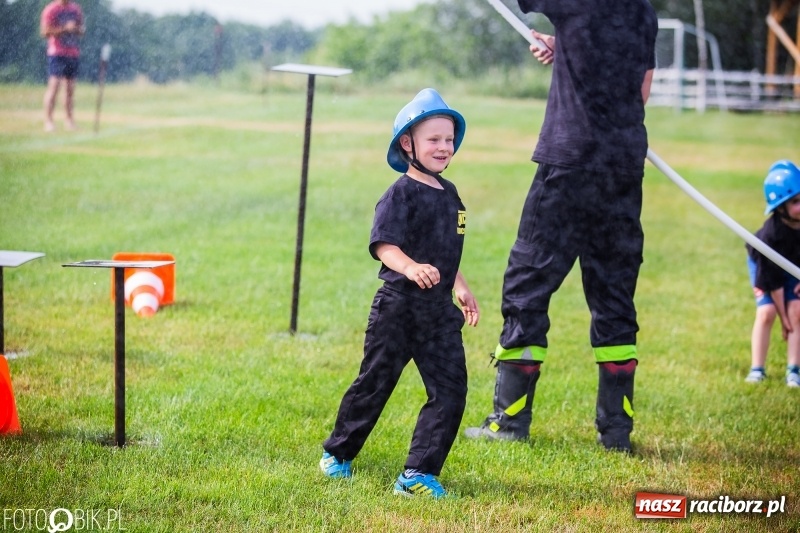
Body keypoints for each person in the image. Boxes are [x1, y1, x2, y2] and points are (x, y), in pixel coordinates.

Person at [464, 0, 657, 453]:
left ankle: (509, 423)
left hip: (569, 164)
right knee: (614, 297)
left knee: (527, 286)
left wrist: (571, 42)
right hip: (623, 169)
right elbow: (639, 88)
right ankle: (617, 436)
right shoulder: (643, 11)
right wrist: (570, 49)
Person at [318, 88, 479, 499]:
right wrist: (410, 266)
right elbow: (384, 246)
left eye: (449, 139)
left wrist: (460, 287)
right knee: (375, 382)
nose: (444, 147)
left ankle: (417, 474)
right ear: (407, 144)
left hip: (438, 314)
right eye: (434, 140)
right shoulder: (399, 194)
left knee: (451, 390)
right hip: (398, 308)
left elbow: (447, 253)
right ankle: (338, 453)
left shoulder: (451, 194)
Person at [745, 160, 800, 388]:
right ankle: (757, 369)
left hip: (794, 266)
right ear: (780, 206)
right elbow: (773, 280)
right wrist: (783, 320)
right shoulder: (770, 237)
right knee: (767, 312)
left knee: (797, 310)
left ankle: (793, 370)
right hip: (765, 268)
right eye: (796, 201)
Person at [40, 0, 84, 132]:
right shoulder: (51, 10)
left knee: (70, 90)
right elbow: (44, 32)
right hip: (57, 53)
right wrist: (65, 28)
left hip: (72, 52)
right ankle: (48, 121)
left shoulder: (75, 9)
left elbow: (81, 30)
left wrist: (76, 29)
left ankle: (69, 120)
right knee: (54, 87)